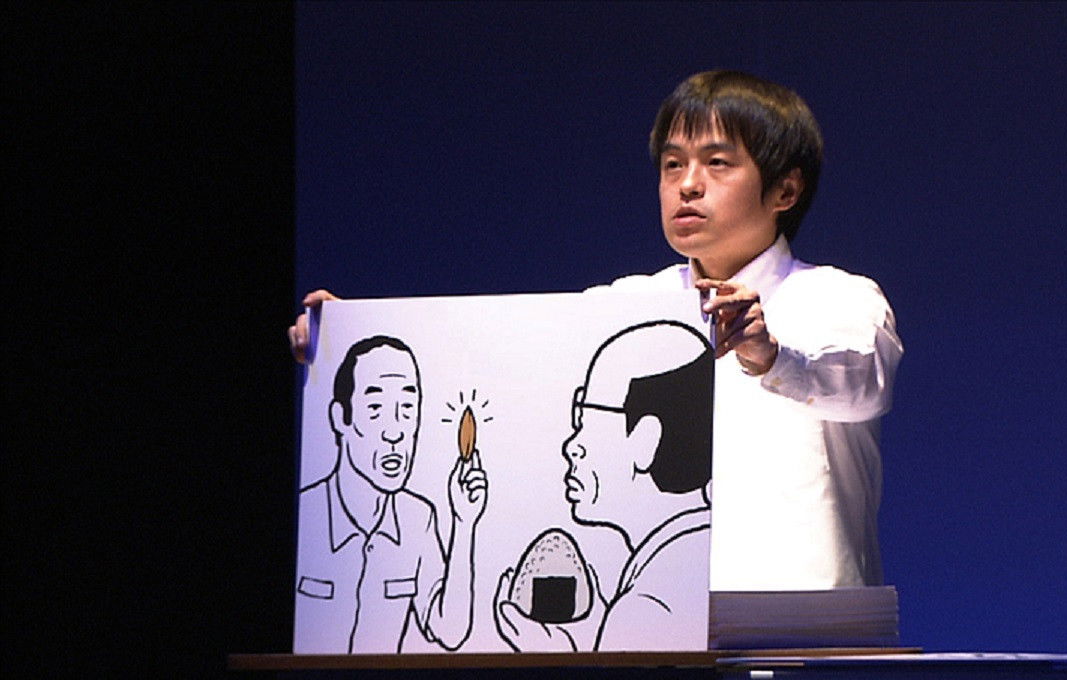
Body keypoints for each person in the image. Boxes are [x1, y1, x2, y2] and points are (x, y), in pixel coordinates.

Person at [289, 69, 903, 592]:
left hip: (808, 639)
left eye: (717, 163)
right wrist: (351, 341)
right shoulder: (628, 306)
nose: (687, 184)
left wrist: (771, 355)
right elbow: (499, 368)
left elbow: (861, 384)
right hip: (660, 636)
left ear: (785, 189)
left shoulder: (836, 298)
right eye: (672, 165)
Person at [492, 320, 714, 652]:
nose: (572, 446)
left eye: (584, 419)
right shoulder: (684, 563)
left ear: (645, 441)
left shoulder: (650, 606)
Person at [293, 336, 488, 653]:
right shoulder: (305, 512)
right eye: (375, 409)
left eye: (407, 409)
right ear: (340, 418)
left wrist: (464, 523)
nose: (395, 432)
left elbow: (450, 631)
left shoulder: (418, 519)